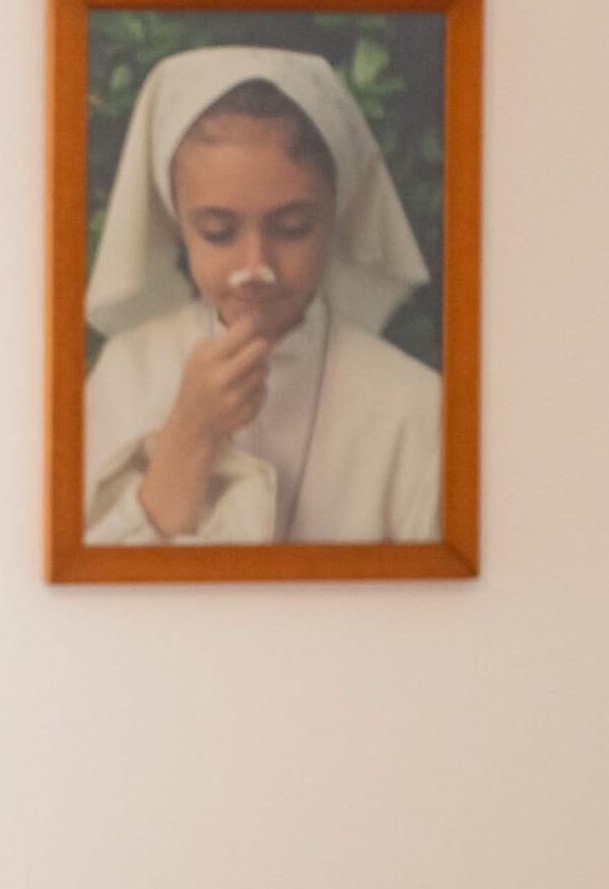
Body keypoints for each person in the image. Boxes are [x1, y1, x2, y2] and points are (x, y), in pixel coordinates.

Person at [80, 44, 443, 545]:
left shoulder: (414, 406)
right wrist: (190, 433)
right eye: (218, 233)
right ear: (178, 224)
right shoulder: (128, 372)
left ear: (333, 217)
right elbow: (87, 579)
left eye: (292, 227)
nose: (255, 269)